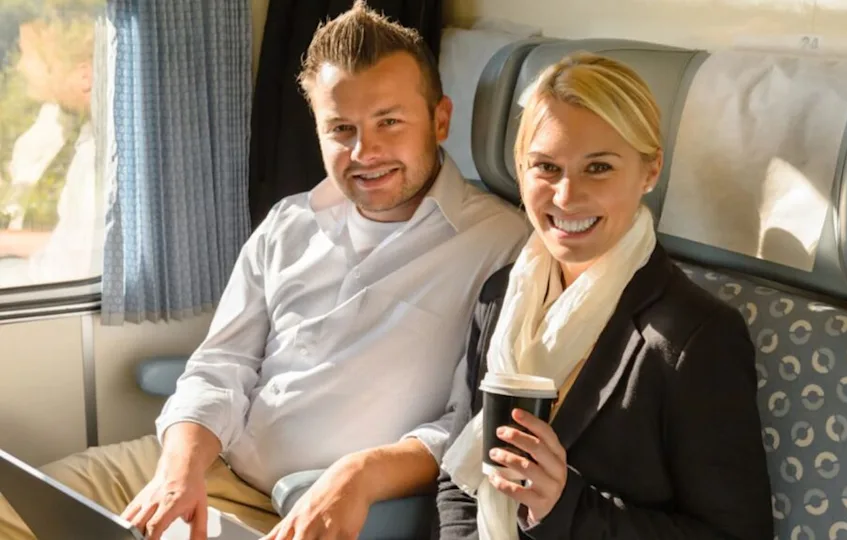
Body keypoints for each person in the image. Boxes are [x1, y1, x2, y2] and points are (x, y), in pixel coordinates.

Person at [0, 2, 529, 540]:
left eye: (389, 122)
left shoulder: (503, 246)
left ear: (440, 120)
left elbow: (471, 424)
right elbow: (221, 364)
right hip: (204, 461)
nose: (364, 151)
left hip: (307, 506)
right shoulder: (289, 221)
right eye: (340, 128)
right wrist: (179, 468)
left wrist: (362, 473)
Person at [436, 53, 773, 539]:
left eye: (598, 167)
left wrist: (564, 508)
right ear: (520, 170)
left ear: (650, 171)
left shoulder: (695, 338)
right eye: (546, 167)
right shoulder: (500, 297)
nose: (566, 196)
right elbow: (458, 478)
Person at [0, 16, 100, 287]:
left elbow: (71, 261)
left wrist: (6, 242)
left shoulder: (95, 154)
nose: (19, 66)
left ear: (84, 76)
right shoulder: (58, 119)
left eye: (27, 54)